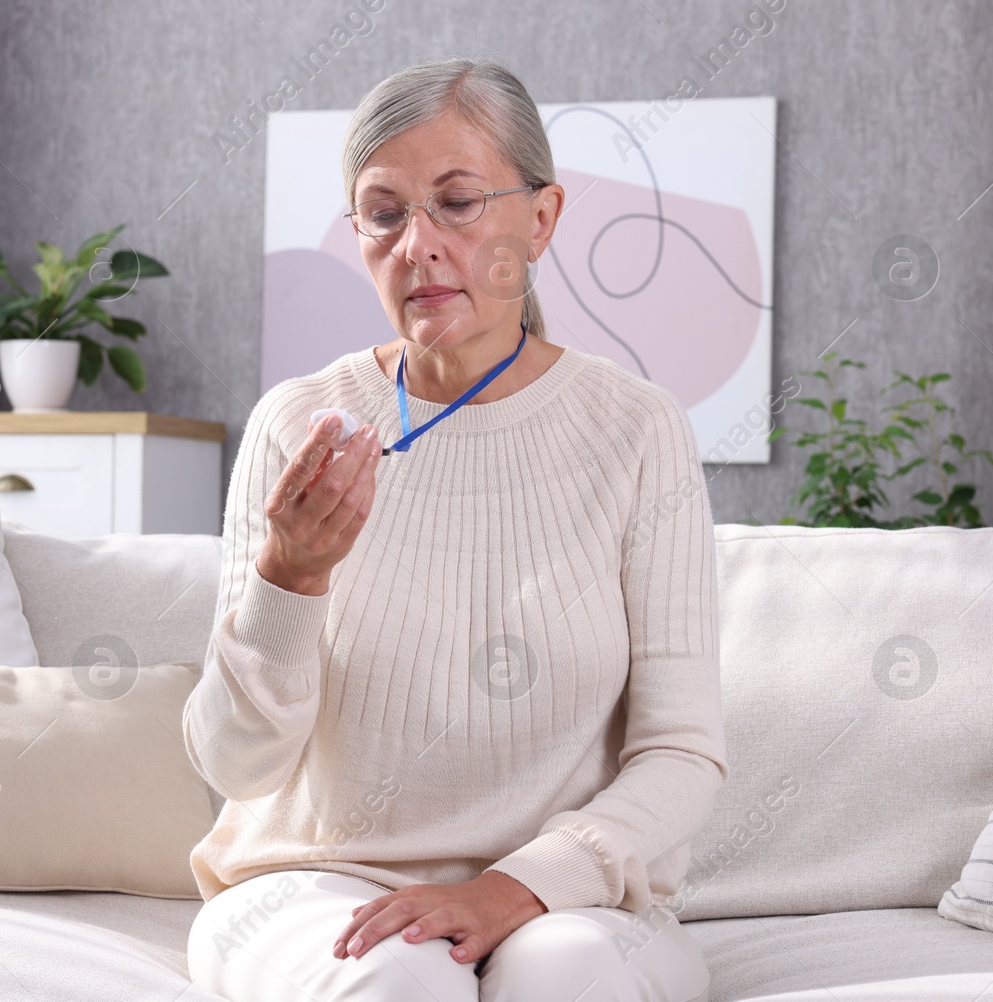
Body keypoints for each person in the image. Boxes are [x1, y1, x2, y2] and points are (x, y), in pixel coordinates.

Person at [182, 57, 726, 1002]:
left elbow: (682, 754)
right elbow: (233, 763)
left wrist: (517, 886)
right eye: (384, 213)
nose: (417, 244)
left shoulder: (637, 429)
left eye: (458, 202)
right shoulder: (298, 424)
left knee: (573, 978)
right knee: (400, 981)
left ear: (543, 217)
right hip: (312, 887)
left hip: (569, 901)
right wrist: (289, 578)